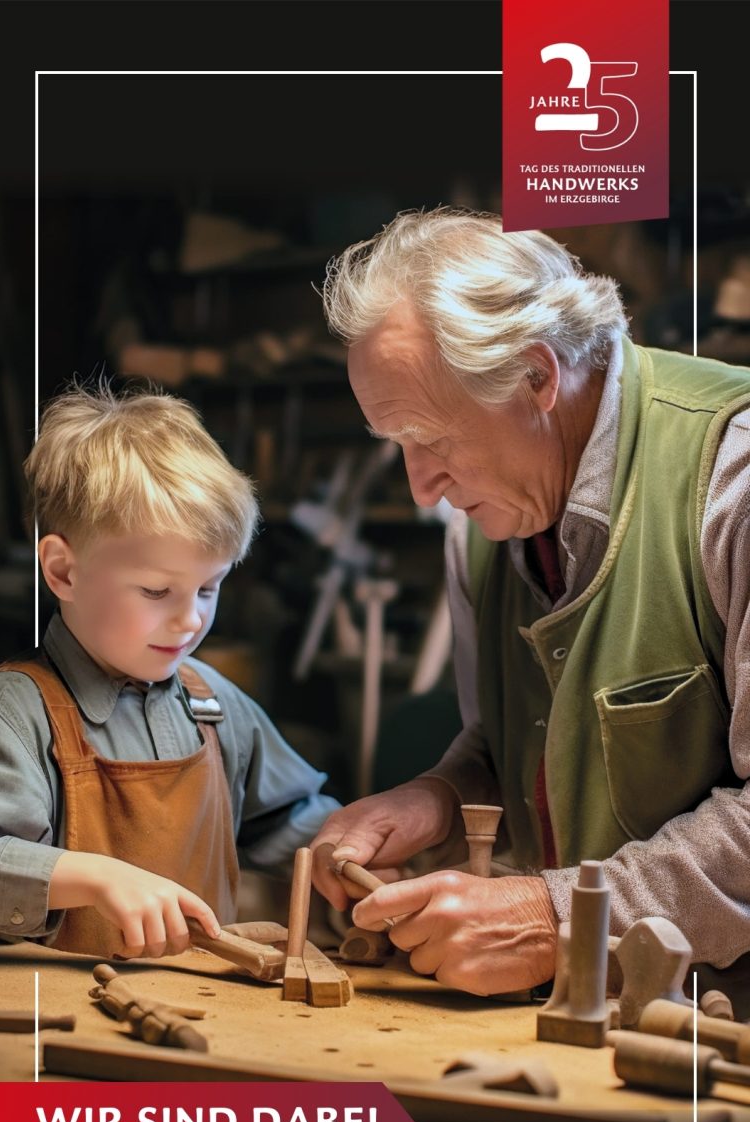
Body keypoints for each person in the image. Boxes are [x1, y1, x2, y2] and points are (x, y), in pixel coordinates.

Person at [309, 206, 750, 1000]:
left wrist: (558, 916)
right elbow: (518, 743)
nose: (421, 486)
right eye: (397, 445)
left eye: (431, 438)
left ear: (539, 376)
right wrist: (441, 796)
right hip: (578, 1029)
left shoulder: (733, 480)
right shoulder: (475, 529)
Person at [0, 383, 340, 960]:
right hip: (60, 1033)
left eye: (208, 587)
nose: (189, 619)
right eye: (156, 590)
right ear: (63, 571)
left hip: (206, 1018)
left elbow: (287, 817)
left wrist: (343, 851)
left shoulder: (211, 703)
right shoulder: (12, 717)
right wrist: (96, 877)